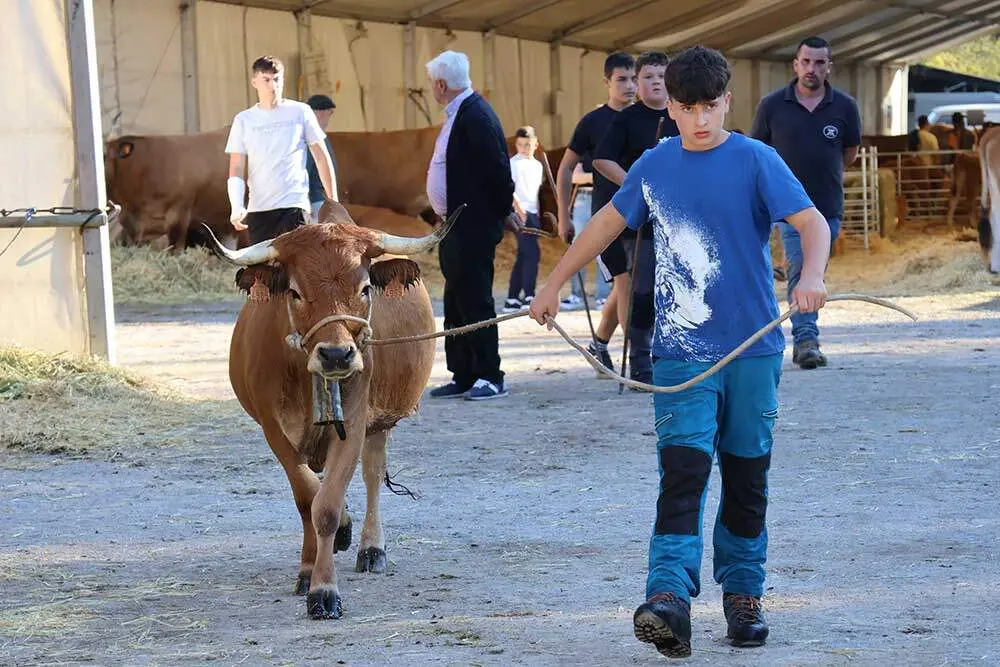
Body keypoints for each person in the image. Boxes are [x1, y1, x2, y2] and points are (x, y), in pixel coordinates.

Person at [529, 45, 831, 658]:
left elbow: (812, 224)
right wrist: (555, 280)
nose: (700, 120)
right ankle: (667, 597)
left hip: (750, 350)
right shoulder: (654, 166)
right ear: (672, 107)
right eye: (687, 108)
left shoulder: (755, 159)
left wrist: (811, 277)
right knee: (684, 473)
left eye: (710, 107)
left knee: (747, 475)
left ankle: (744, 595)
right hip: (680, 350)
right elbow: (608, 225)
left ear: (727, 102)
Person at [750, 36, 860, 370]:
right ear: (796, 64)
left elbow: (850, 154)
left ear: (829, 66)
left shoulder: (845, 106)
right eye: (806, 61)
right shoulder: (772, 106)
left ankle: (803, 332)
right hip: (787, 207)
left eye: (819, 63)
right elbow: (758, 152)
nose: (812, 69)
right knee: (801, 265)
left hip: (827, 206)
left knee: (815, 268)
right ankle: (806, 339)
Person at [424, 50, 514, 401]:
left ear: (441, 84)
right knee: (457, 300)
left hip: (472, 224)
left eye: (433, 84)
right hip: (455, 224)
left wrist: (502, 211)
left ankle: (490, 375)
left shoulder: (475, 115)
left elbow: (498, 170)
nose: (433, 89)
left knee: (475, 300)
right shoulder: (461, 113)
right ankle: (463, 373)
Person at [593, 50, 680, 386]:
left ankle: (673, 356)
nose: (655, 83)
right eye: (647, 77)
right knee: (642, 289)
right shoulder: (627, 119)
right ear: (637, 81)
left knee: (674, 288)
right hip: (639, 222)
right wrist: (635, 184)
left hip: (677, 221)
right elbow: (602, 159)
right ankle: (641, 361)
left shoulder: (681, 115)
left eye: (661, 77)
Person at [556, 51, 637, 372]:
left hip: (645, 217)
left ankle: (599, 343)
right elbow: (565, 170)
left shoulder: (648, 117)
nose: (629, 86)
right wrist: (564, 217)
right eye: (622, 80)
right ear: (607, 82)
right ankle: (641, 360)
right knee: (627, 283)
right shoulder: (592, 122)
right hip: (609, 219)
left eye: (634, 78)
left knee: (628, 286)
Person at [225, 55, 338, 244]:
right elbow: (236, 168)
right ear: (255, 82)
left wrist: (333, 201)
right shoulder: (243, 120)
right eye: (266, 80)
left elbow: (321, 157)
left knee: (297, 269)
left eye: (277, 80)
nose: (272, 86)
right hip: (258, 208)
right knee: (263, 271)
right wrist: (236, 206)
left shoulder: (301, 112)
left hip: (294, 206)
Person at [503, 126, 545, 313]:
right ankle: (529, 294)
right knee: (532, 254)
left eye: (528, 144)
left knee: (524, 255)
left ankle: (512, 298)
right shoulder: (514, 163)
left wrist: (537, 213)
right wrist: (519, 208)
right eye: (520, 145)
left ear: (535, 144)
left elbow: (536, 192)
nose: (524, 148)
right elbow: (510, 188)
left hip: (533, 211)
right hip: (520, 212)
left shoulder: (537, 165)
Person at [305, 94, 339, 222]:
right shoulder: (310, 141)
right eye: (329, 113)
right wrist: (306, 201)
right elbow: (305, 171)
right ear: (320, 113)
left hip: (322, 201)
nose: (329, 118)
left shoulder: (320, 137)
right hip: (315, 203)